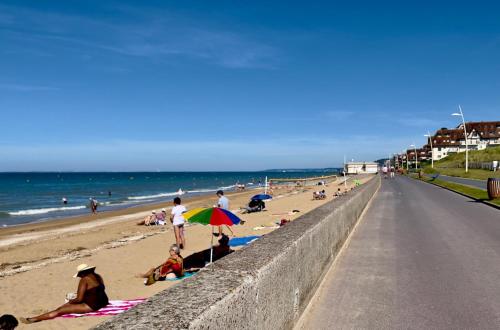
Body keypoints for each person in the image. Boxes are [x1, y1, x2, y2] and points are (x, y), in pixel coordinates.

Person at [20, 264, 109, 324]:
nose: (80, 276)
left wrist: (70, 301)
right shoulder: (98, 276)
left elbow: (79, 299)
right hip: (104, 301)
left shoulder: (84, 279)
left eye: (80, 275)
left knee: (59, 310)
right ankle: (36, 318)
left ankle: (32, 319)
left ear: (82, 273)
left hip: (93, 305)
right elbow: (97, 290)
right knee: (66, 306)